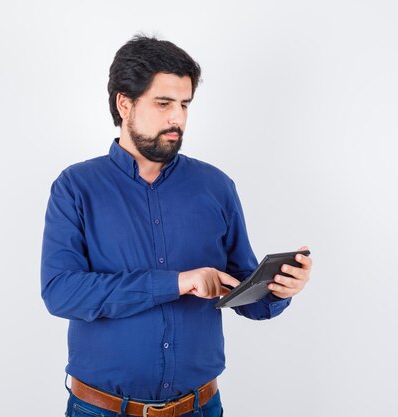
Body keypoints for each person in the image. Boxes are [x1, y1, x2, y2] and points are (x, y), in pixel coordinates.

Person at [40, 35, 312, 417]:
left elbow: (242, 288)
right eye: (164, 103)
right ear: (125, 103)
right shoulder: (76, 187)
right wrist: (177, 281)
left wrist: (278, 289)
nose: (177, 118)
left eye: (184, 104)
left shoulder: (215, 186)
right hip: (101, 410)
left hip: (200, 407)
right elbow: (61, 292)